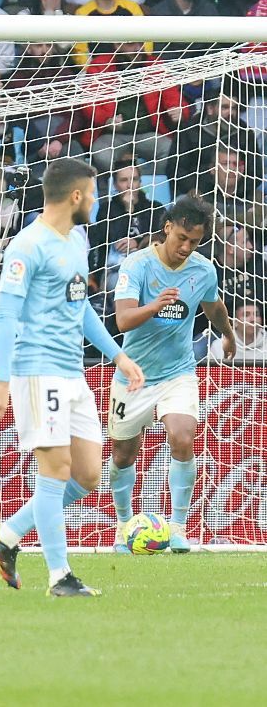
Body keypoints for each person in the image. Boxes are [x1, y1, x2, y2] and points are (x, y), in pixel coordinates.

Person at [0, 157, 146, 597]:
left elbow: (81, 306)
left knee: (89, 475)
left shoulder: (78, 240)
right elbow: (6, 316)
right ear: (76, 196)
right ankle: (60, 576)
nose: (95, 201)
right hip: (36, 373)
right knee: (53, 472)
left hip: (73, 374)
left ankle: (8, 535)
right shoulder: (26, 247)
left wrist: (117, 355)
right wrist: (1, 381)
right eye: (92, 193)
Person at [108, 196, 236, 554]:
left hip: (178, 372)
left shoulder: (203, 269)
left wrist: (227, 333)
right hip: (133, 373)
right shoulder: (136, 265)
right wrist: (155, 305)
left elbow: (212, 305)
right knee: (122, 455)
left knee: (183, 435)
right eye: (181, 237)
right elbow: (122, 320)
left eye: (194, 241)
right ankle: (124, 527)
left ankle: (178, 527)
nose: (186, 247)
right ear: (168, 228)